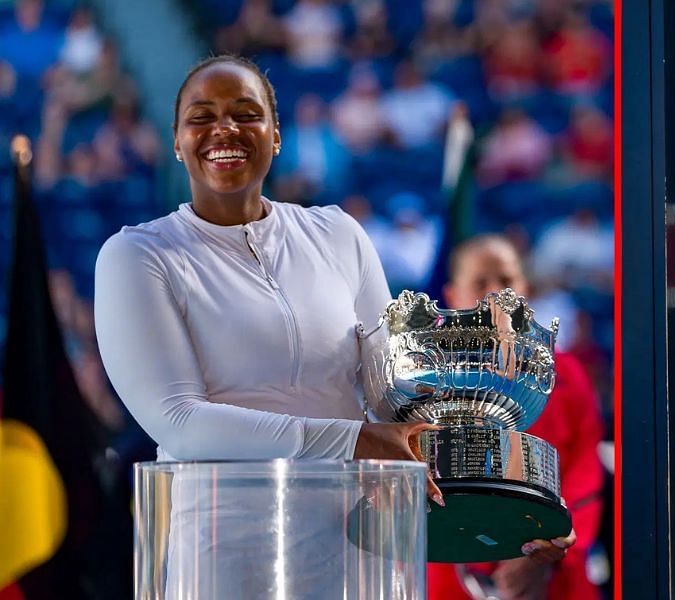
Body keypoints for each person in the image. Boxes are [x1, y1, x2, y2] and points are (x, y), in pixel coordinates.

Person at [92, 56, 567, 596]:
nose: (224, 129)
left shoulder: (337, 234)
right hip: (224, 559)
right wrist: (355, 440)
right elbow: (179, 420)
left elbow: (394, 396)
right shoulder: (138, 256)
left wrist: (504, 495)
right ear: (176, 141)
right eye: (201, 117)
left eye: (246, 113)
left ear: (275, 136)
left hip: (356, 553)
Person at [427, 235, 604, 600]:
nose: (495, 293)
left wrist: (549, 544)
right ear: (453, 294)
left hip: (553, 570)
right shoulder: (425, 380)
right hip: (452, 568)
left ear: (525, 288)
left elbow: (585, 472)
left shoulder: (565, 373)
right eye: (480, 282)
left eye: (506, 281)